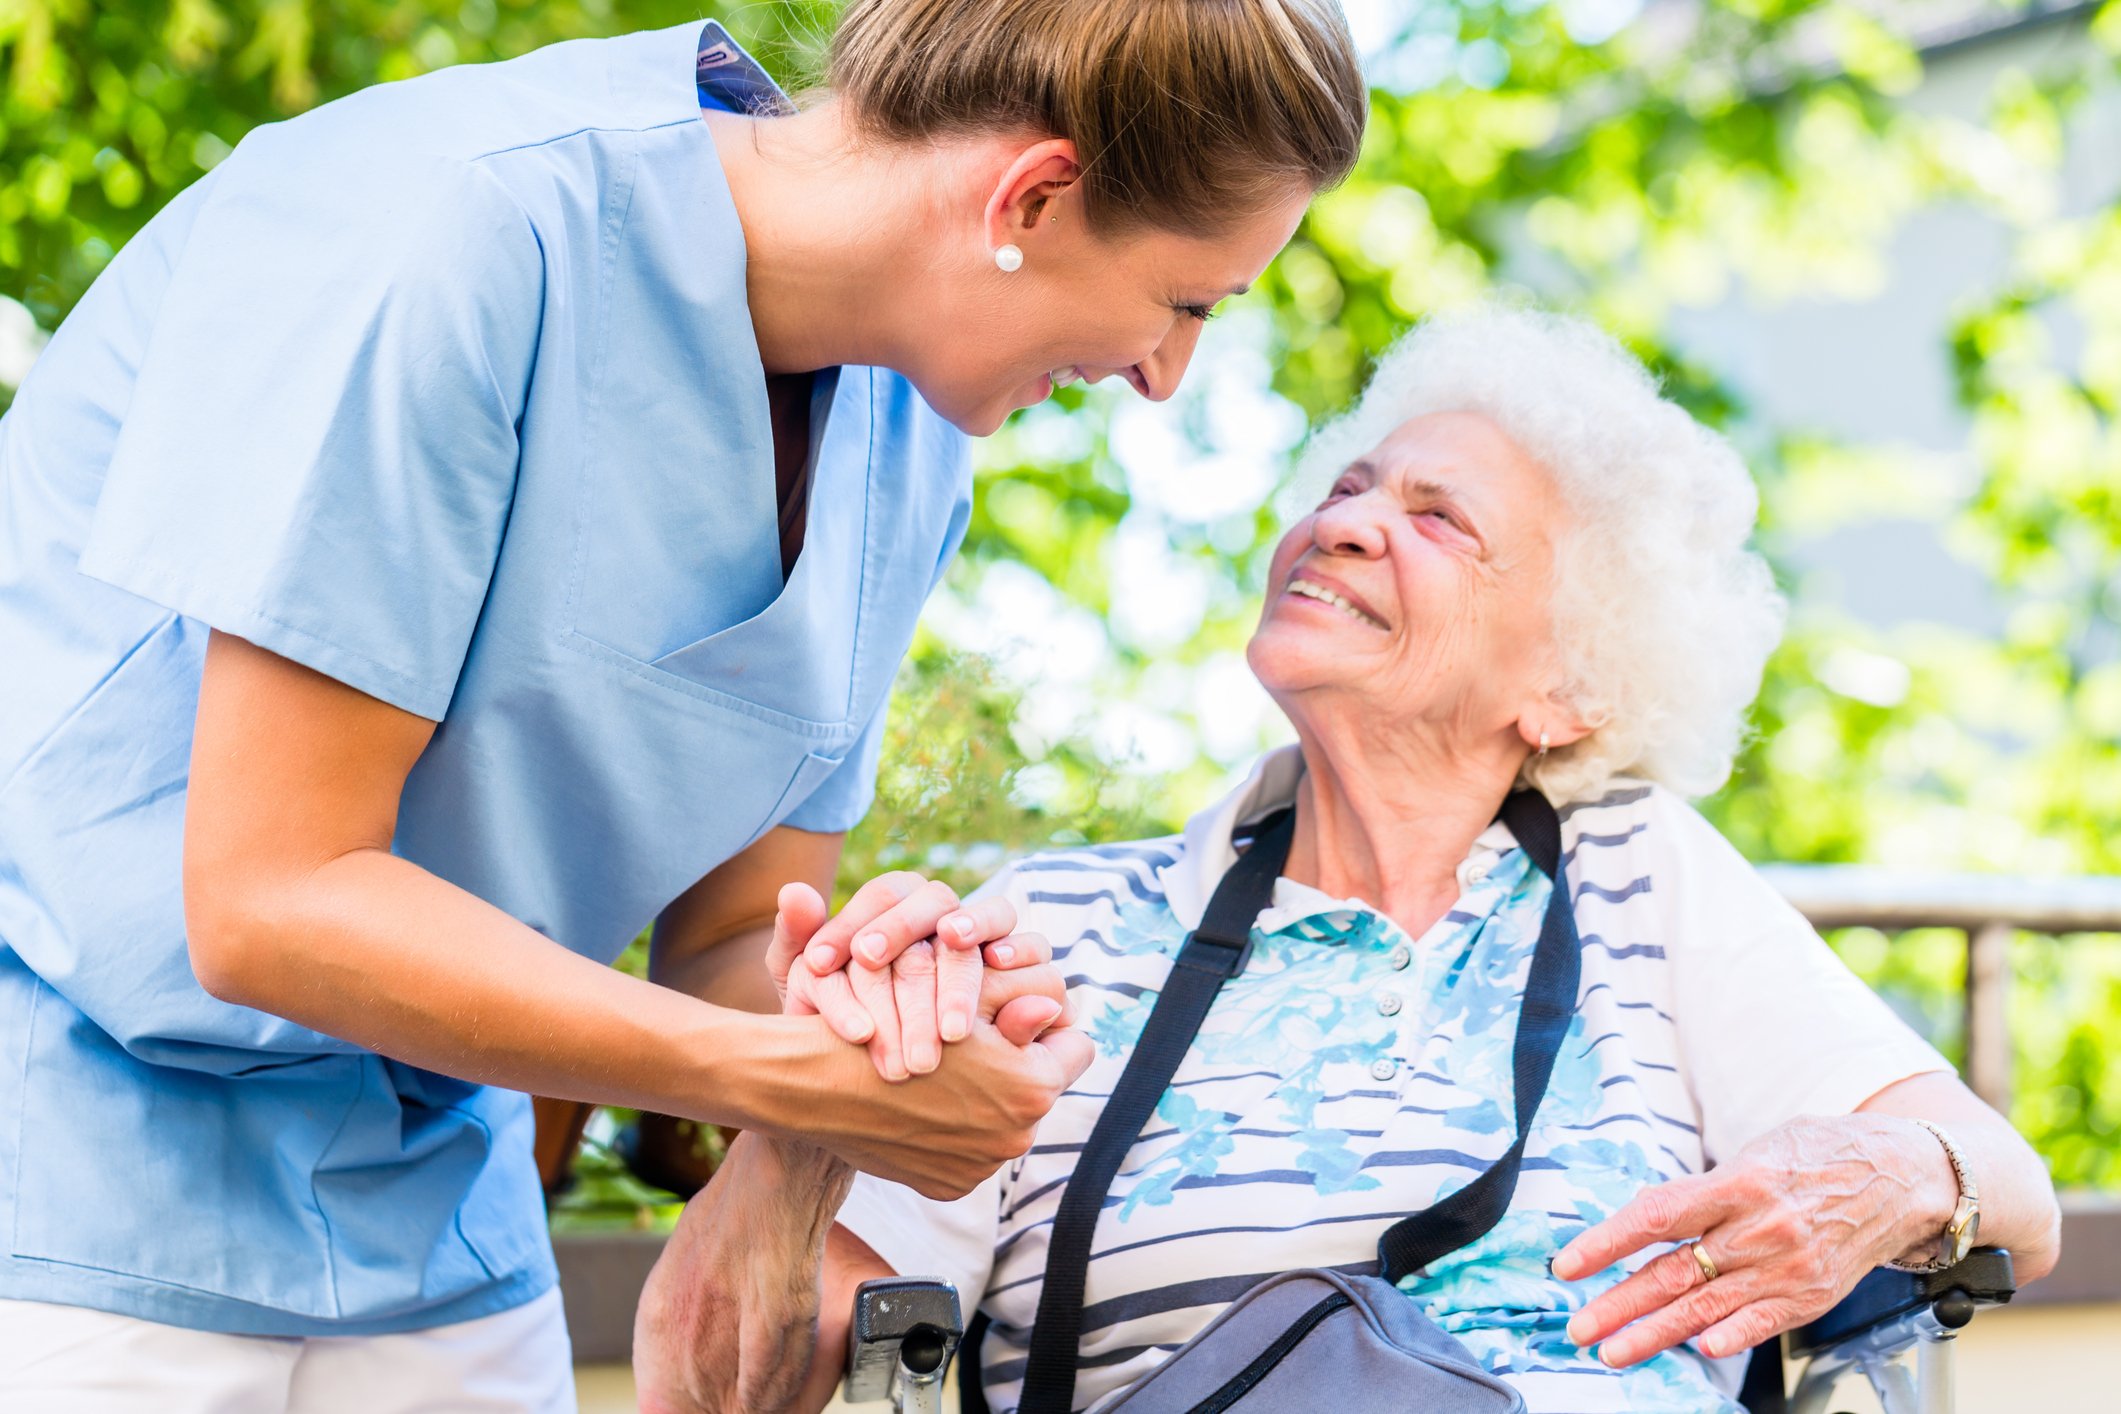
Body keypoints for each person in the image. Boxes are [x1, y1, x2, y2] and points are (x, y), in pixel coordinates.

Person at [0, 2, 1368, 1409]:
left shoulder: (906, 443)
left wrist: (886, 1013)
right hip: (71, 1177)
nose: (1165, 375)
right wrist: (787, 1078)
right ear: (1030, 194)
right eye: (1187, 299)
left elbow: (721, 940)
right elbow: (267, 897)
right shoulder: (451, 225)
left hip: (431, 1219)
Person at [659, 306, 2064, 1413]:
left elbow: (2006, 1188)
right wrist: (801, 1129)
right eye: (1346, 483)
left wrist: (1884, 1170)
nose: (1344, 520)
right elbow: (722, 1388)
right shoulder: (1055, 926)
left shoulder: (1643, 875)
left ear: (1570, 686)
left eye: (1438, 519)